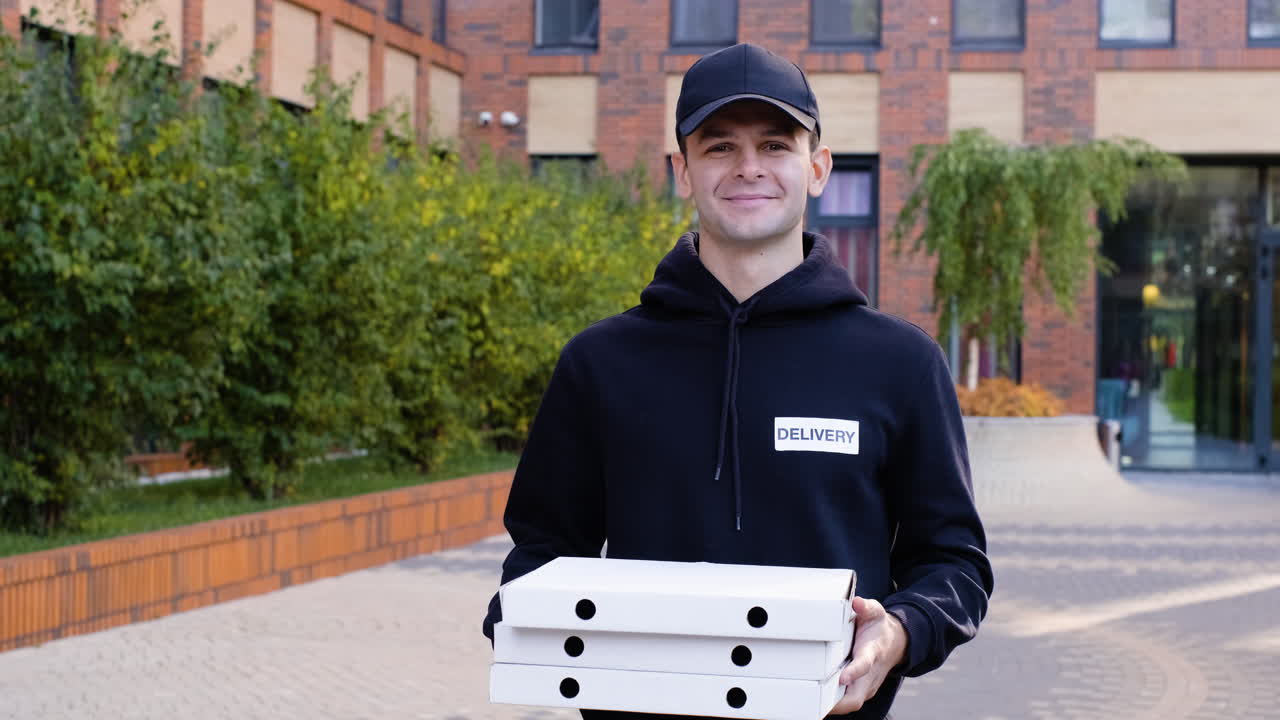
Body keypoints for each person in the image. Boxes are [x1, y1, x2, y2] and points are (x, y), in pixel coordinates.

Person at [483, 42, 993, 720]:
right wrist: (525, 625)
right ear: (682, 172)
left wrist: (899, 631)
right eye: (718, 147)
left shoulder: (899, 362)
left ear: (817, 169)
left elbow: (954, 563)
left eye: (776, 145)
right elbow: (542, 554)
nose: (749, 167)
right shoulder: (600, 363)